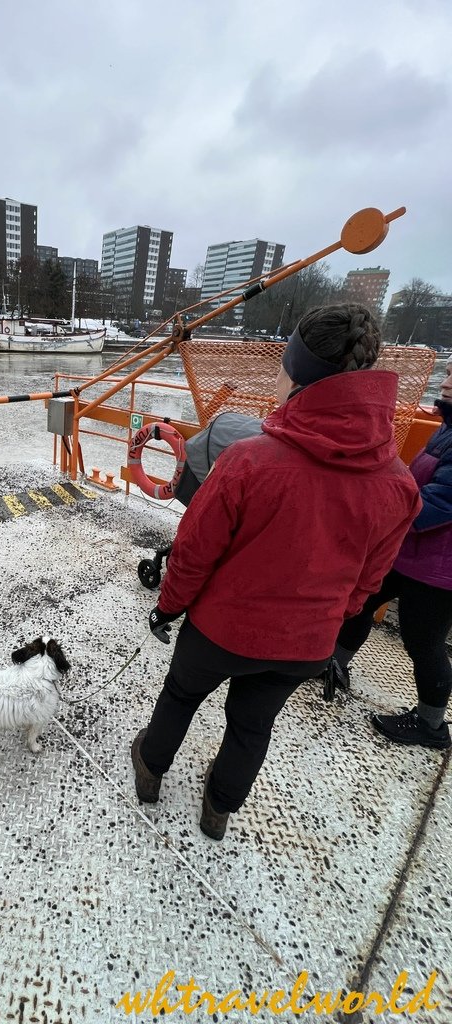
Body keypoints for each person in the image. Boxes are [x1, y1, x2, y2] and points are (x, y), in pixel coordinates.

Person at [130, 303, 421, 841]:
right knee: (251, 725)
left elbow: (194, 552)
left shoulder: (247, 461)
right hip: (304, 646)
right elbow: (368, 582)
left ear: (300, 375)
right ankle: (218, 810)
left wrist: (167, 607)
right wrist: (329, 619)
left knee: (180, 696)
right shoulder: (399, 486)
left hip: (221, 629)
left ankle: (150, 770)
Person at [333, 357, 452, 751]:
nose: (447, 382)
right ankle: (334, 664)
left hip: (438, 569)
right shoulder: (446, 431)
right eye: (448, 373)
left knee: (424, 642)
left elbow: (438, 503)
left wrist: (382, 503)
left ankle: (432, 725)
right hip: (408, 553)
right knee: (361, 603)